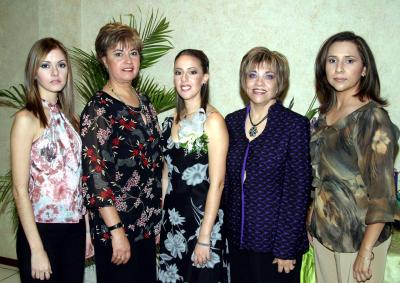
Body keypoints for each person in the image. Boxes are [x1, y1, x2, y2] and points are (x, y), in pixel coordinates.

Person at [308, 31, 399, 283]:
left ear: (364, 69)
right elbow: (321, 178)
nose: (339, 68)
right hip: (325, 236)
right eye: (332, 60)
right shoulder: (324, 115)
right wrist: (312, 222)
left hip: (360, 240)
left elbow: (383, 194)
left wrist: (366, 251)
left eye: (349, 60)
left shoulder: (372, 118)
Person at [80, 22, 163, 283]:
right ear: (104, 60)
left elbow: (154, 163)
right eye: (118, 54)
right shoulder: (98, 110)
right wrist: (116, 231)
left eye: (133, 53)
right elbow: (96, 179)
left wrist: (155, 221)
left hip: (146, 226)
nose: (128, 60)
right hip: (117, 229)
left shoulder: (145, 102)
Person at [224, 47, 312, 283]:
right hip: (236, 239)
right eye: (252, 75)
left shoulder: (294, 125)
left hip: (276, 246)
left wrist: (286, 247)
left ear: (279, 82)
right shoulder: (231, 122)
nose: (259, 82)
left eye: (268, 76)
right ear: (244, 80)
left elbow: (298, 190)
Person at [11, 37, 92, 283]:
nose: (55, 72)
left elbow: (80, 181)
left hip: (75, 229)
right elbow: (19, 189)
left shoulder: (72, 120)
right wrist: (37, 249)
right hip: (41, 230)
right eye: (46, 66)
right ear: (34, 72)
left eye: (61, 65)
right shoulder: (27, 118)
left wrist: (87, 230)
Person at [157, 49, 229, 283]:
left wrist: (205, 237)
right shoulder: (169, 122)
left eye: (192, 72)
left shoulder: (214, 122)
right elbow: (166, 175)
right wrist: (161, 222)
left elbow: (217, 184)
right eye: (179, 73)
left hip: (203, 224)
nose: (184, 79)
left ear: (204, 78)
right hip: (173, 223)